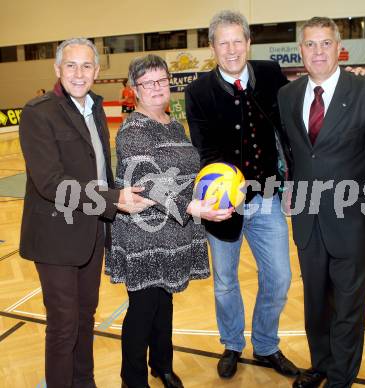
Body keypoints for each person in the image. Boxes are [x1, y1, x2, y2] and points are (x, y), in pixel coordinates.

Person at [19, 38, 150, 388]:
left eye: (87, 66)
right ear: (57, 70)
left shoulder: (93, 107)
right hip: (55, 237)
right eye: (72, 66)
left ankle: (85, 382)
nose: (80, 73)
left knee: (84, 316)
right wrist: (112, 199)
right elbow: (50, 183)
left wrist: (121, 202)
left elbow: (98, 170)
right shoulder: (38, 112)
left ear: (97, 71)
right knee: (63, 324)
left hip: (91, 233)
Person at [278, 17, 365, 387]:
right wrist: (288, 186)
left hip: (353, 221)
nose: (318, 51)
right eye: (310, 44)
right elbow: (295, 154)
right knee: (315, 304)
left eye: (325, 43)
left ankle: (341, 378)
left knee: (347, 307)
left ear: (338, 47)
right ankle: (321, 366)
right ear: (301, 50)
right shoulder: (288, 96)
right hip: (308, 221)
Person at [105, 54, 233, 388]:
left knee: (165, 303)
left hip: (174, 232)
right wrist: (194, 208)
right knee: (144, 309)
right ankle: (132, 380)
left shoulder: (175, 124)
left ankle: (161, 365)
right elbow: (147, 181)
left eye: (162, 80)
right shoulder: (133, 130)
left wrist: (214, 194)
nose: (158, 87)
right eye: (148, 83)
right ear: (135, 89)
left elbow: (188, 173)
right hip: (143, 233)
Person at [185, 10, 298, 379]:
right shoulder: (198, 91)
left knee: (279, 277)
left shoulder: (270, 74)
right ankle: (232, 343)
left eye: (238, 41)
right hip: (223, 205)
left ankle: (266, 345)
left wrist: (291, 180)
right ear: (212, 48)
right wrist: (221, 195)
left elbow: (287, 130)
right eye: (223, 42)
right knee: (225, 283)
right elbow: (204, 150)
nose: (231, 49)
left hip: (267, 197)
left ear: (249, 43)